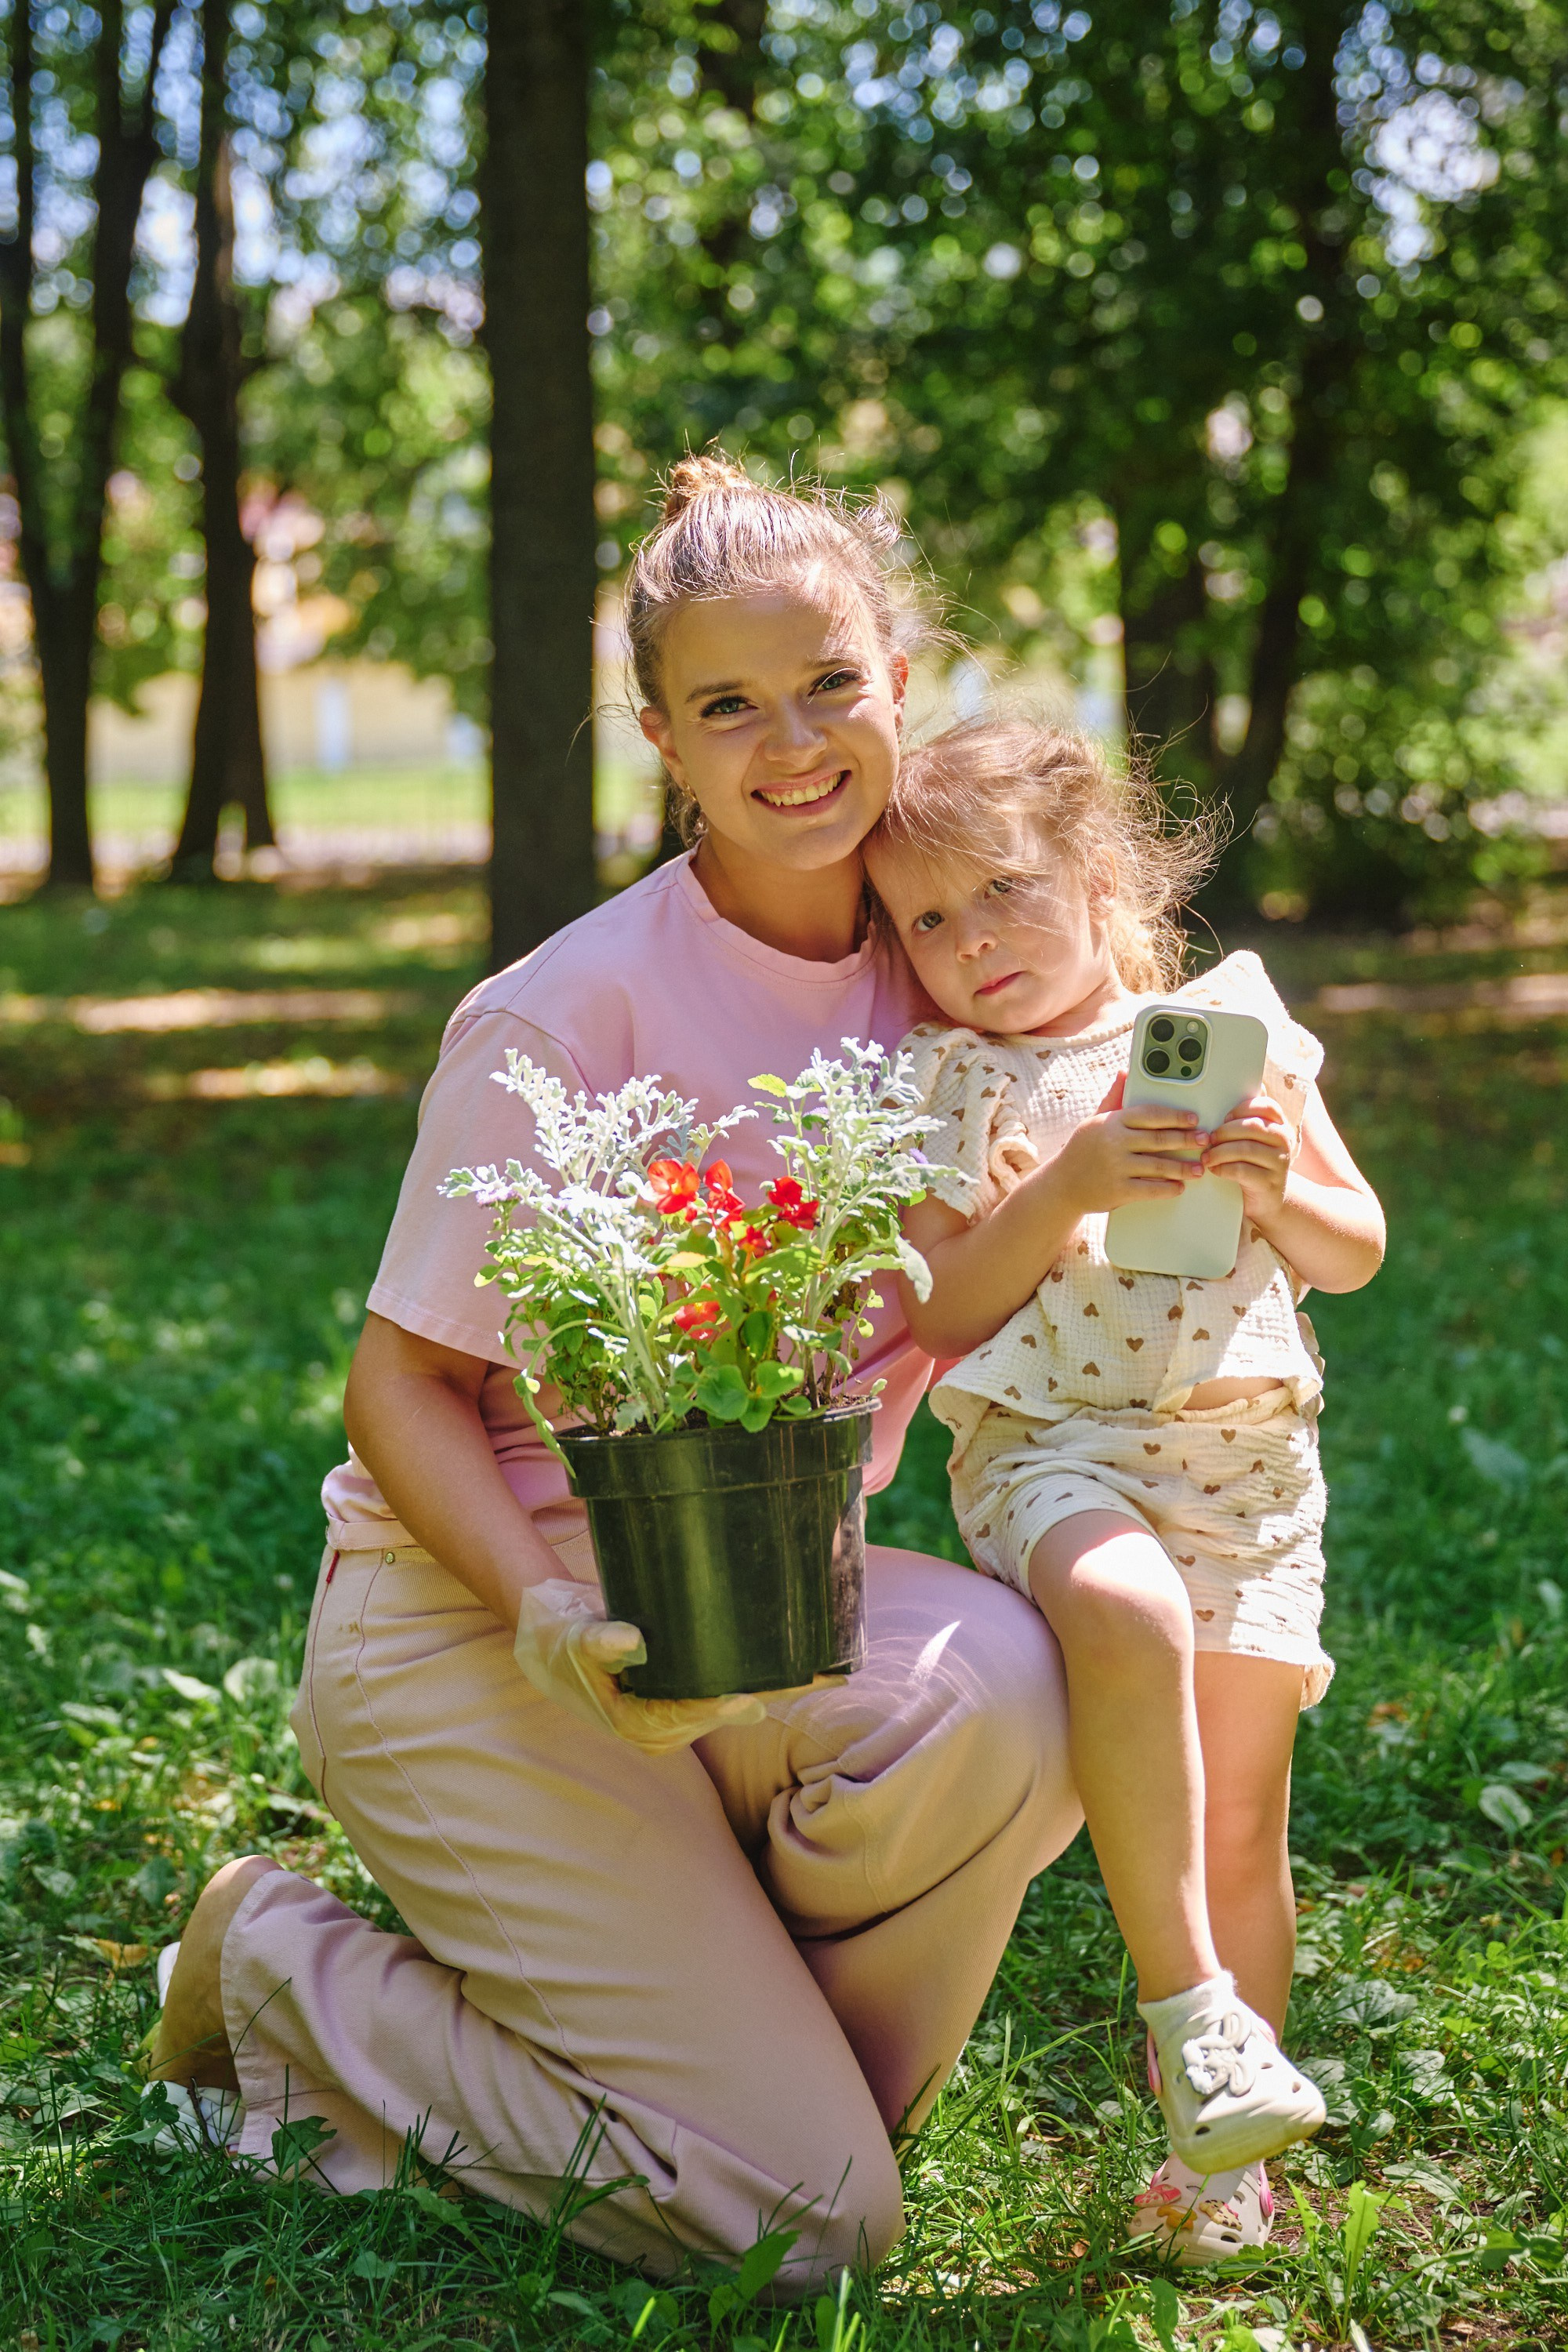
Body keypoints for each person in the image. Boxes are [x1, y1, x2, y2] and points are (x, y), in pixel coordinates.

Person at [148, 459, 1083, 2292]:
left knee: (1012, 1693)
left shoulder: (947, 965)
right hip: (483, 1634)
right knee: (809, 2231)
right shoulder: (566, 1013)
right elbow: (398, 1390)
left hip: (760, 1605)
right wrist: (545, 1609)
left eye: (830, 684)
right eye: (728, 707)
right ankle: (278, 1969)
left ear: (901, 682)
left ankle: (749, 2075)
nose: (792, 745)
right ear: (661, 740)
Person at [863, 719, 1385, 2265]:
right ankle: (1186, 2004)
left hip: (1245, 1467)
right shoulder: (943, 1080)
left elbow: (1355, 1247)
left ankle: (1220, 2152)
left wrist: (1270, 1186)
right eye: (927, 920)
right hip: (1054, 1451)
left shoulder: (1225, 1030)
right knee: (1123, 1603)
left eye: (1004, 890)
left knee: (1241, 1825)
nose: (971, 941)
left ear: (1100, 880)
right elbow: (946, 1310)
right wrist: (1072, 1183)